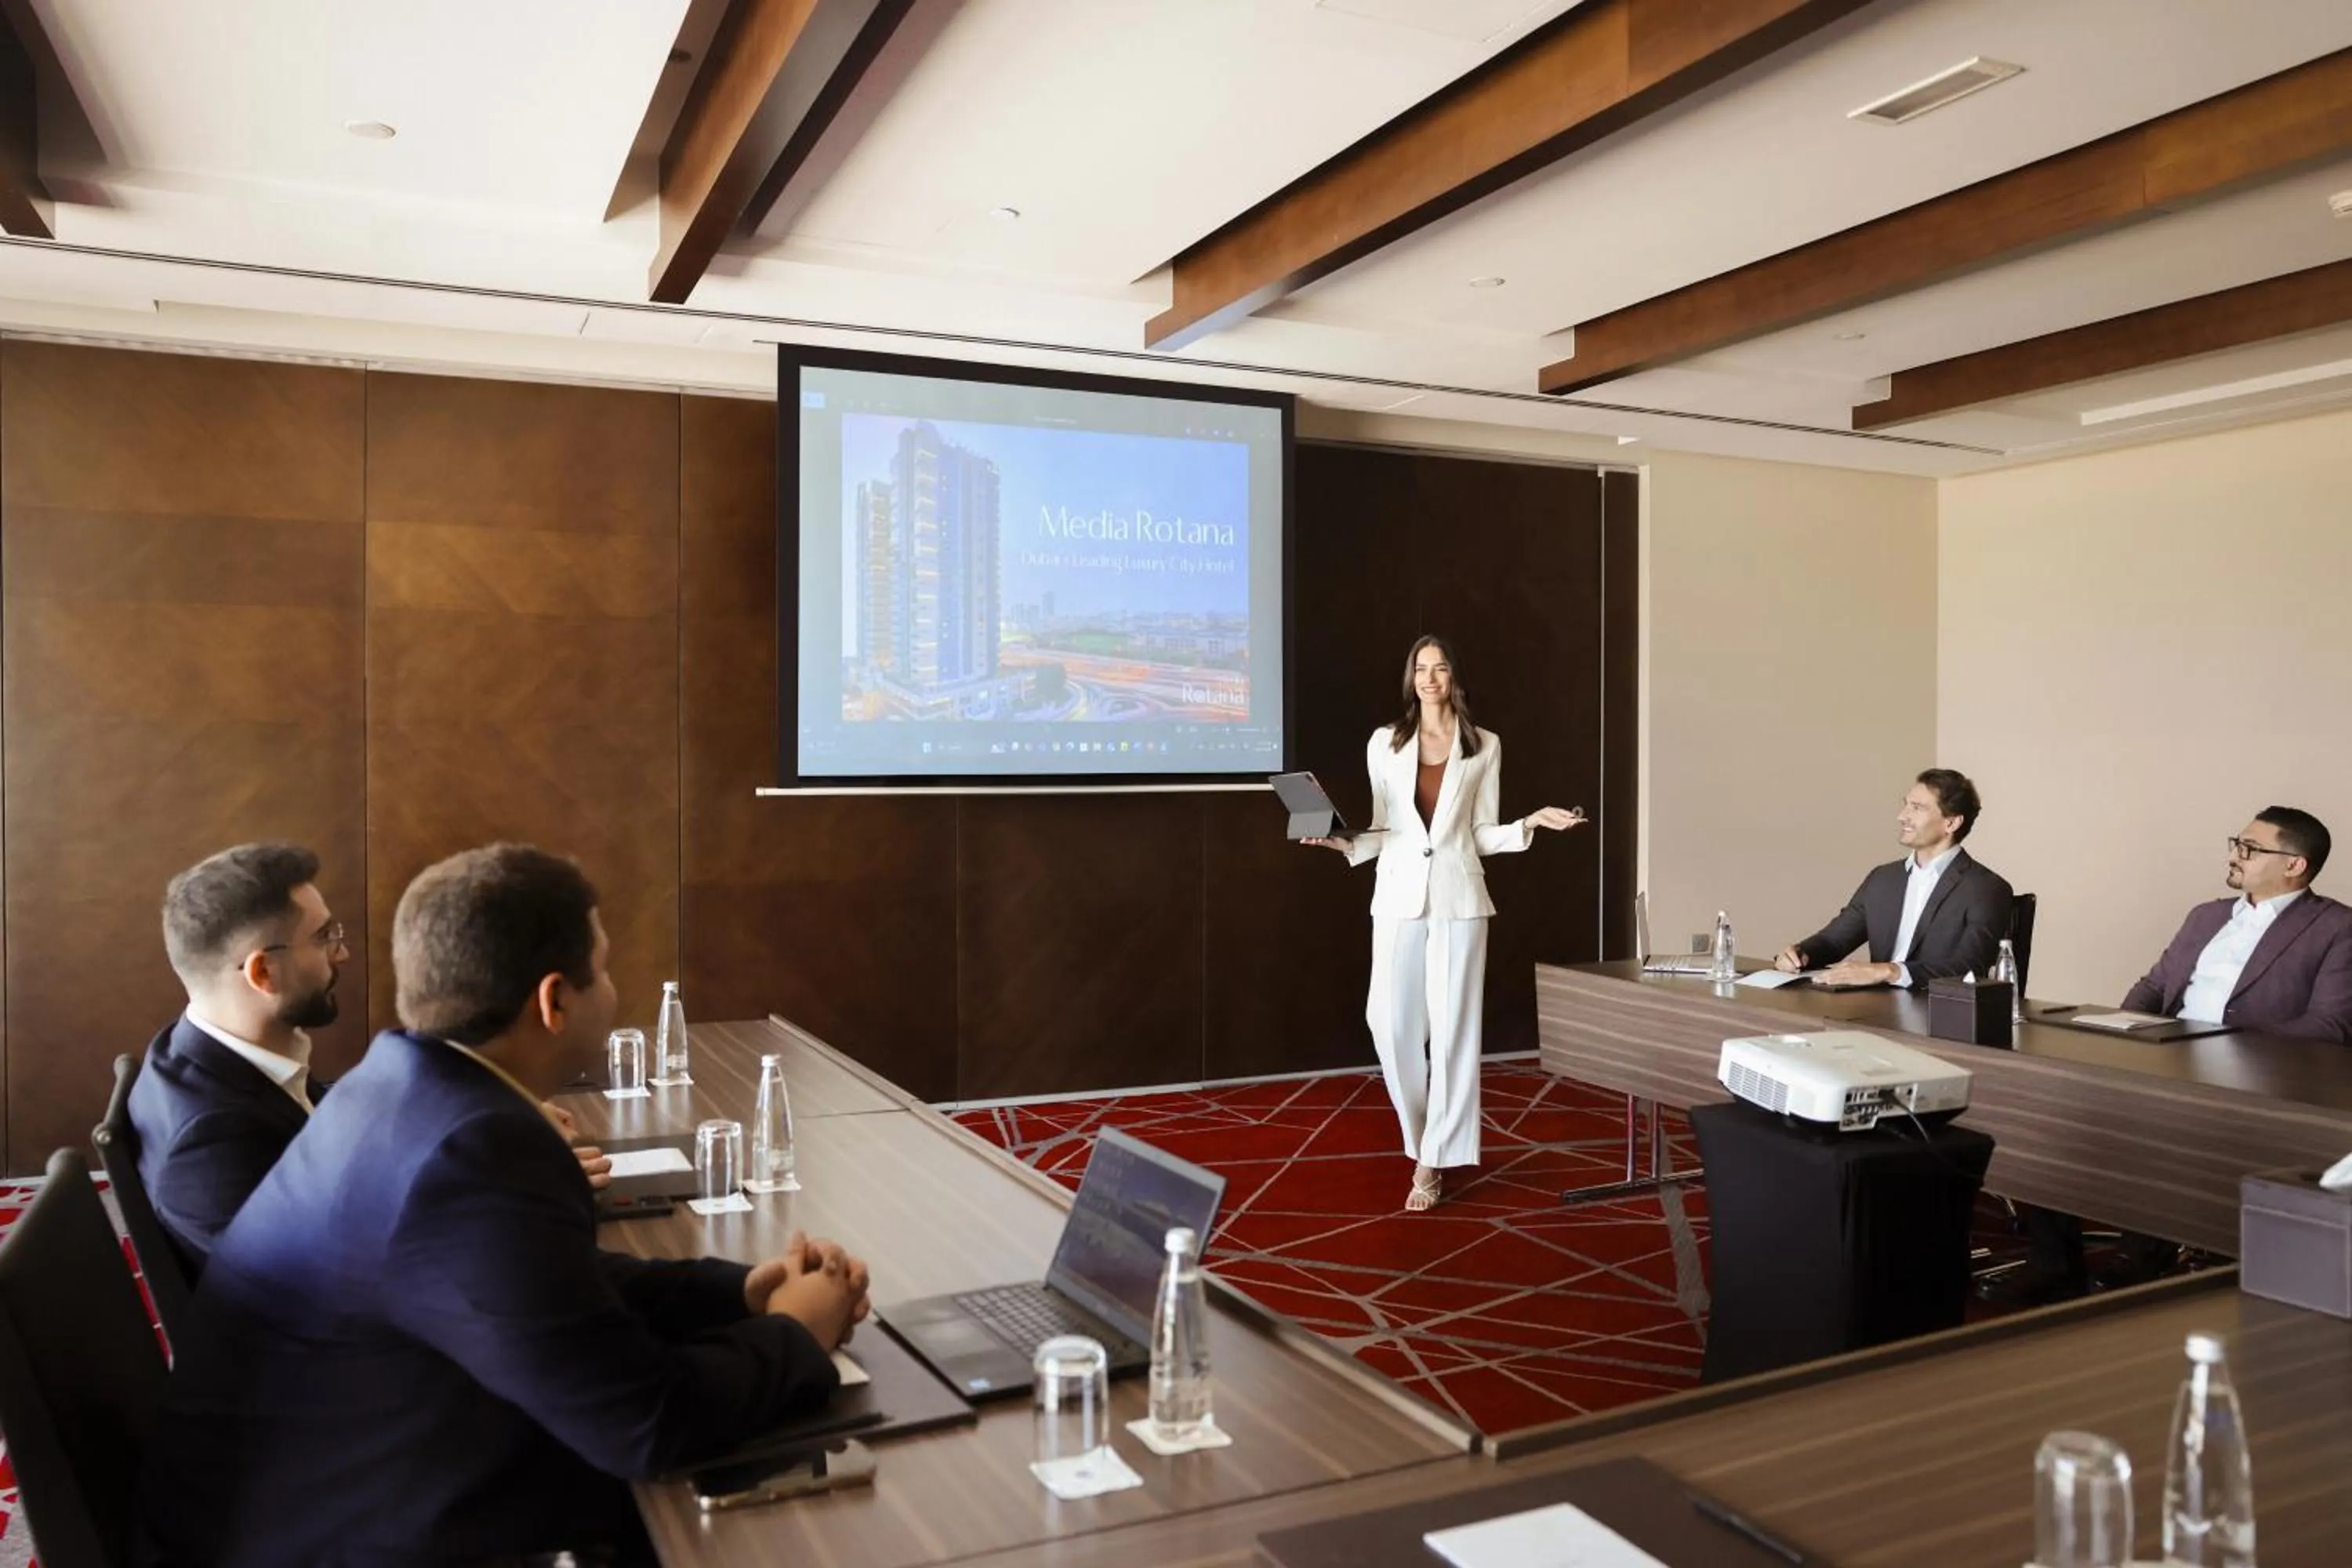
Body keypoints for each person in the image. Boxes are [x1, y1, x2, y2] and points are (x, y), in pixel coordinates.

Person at [140, 844, 869, 1566]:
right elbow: (646, 1424)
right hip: (336, 1535)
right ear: (554, 1001)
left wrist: (736, 1291)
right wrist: (799, 1333)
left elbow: (547, 1285)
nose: (615, 991)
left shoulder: (393, 1083)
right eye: (606, 970)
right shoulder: (473, 1150)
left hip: (311, 1490)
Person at [129, 842, 609, 1279]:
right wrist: (510, 1181)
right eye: (322, 937)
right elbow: (352, 1274)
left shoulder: (212, 1053)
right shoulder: (209, 1145)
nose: (343, 951)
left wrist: (480, 1113)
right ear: (263, 971)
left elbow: (336, 1132)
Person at [1307, 636, 1583, 1213]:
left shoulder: (1485, 746)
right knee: (1387, 1021)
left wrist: (1528, 824)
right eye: (1421, 669)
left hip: (1460, 896)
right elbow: (1386, 828)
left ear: (1456, 677)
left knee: (1455, 1031)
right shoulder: (1385, 742)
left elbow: (1478, 832)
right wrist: (1341, 844)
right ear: (1412, 678)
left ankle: (1432, 1161)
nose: (1430, 678)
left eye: (1440, 668)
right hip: (1398, 893)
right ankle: (1423, 1137)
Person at [2121, 807, 2351, 1042]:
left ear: (2293, 866)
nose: (2233, 858)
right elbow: (2154, 987)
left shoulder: (2338, 927)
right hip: (2170, 1055)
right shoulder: (2205, 915)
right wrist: (2120, 1033)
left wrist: (2230, 1043)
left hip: (2261, 1068)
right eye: (2237, 845)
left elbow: (2330, 1024)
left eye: (2249, 849)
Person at [1773, 769, 2013, 988]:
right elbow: (1834, 941)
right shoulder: (1882, 879)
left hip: (1940, 1017)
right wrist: (1801, 954)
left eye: (1917, 808)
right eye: (1905, 805)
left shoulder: (1987, 888)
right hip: (1874, 1010)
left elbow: (1970, 968)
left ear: (1951, 823)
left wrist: (1890, 971)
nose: (1902, 816)